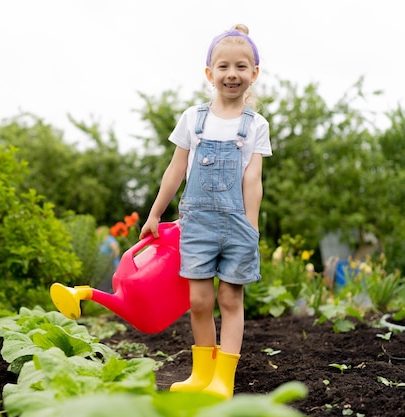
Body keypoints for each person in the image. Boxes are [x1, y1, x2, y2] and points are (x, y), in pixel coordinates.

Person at [139, 24, 272, 399]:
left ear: (254, 74)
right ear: (209, 73)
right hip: (196, 223)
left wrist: (251, 226)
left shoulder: (255, 125)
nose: (233, 74)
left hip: (236, 225)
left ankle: (223, 380)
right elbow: (175, 170)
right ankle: (202, 373)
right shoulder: (193, 118)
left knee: (230, 300)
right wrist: (154, 213)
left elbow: (253, 179)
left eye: (242, 67)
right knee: (198, 301)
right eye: (224, 66)